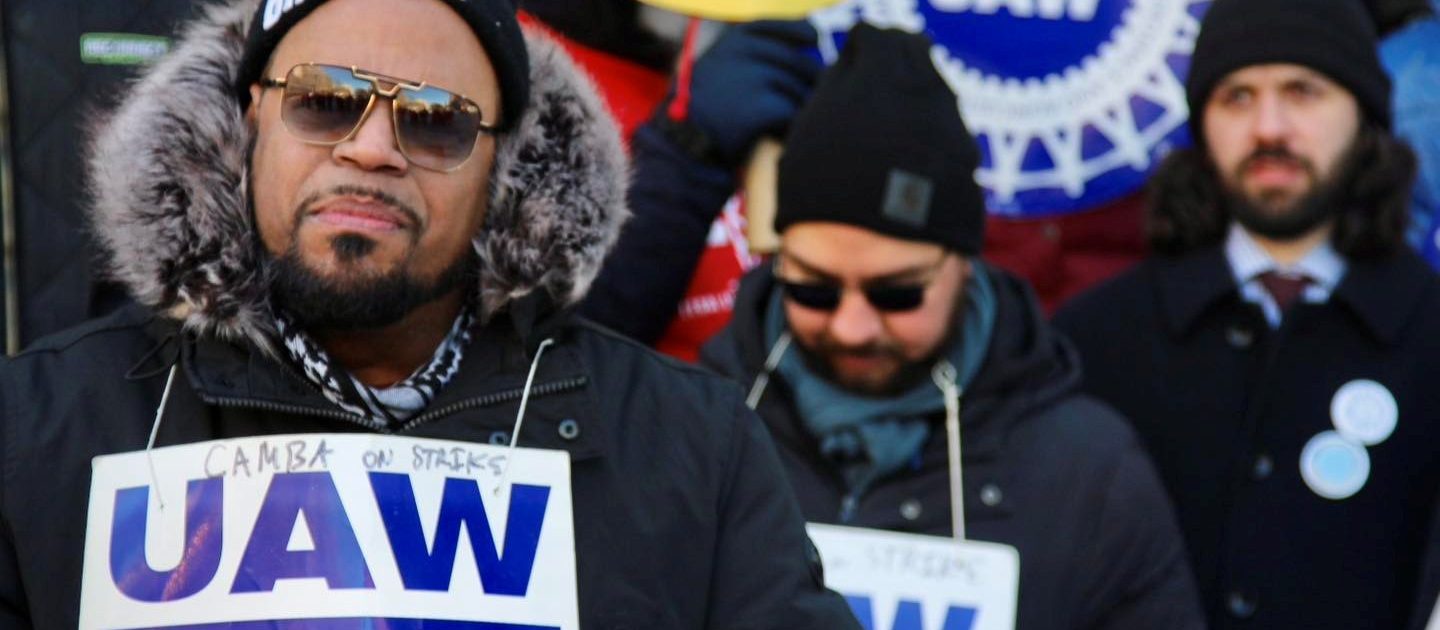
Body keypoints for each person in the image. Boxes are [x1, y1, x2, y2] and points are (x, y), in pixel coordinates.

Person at [0, 0, 861, 627]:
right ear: (249, 118)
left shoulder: (696, 451)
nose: (372, 148)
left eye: (435, 120)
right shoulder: (35, 432)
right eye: (324, 100)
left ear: (507, 165)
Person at [699, 24, 1204, 630]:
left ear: (964, 266)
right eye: (814, 289)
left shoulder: (1090, 472)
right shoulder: (694, 428)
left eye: (897, 294)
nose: (853, 328)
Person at [1052, 0, 1440, 627]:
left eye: (1302, 92)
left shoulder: (1428, 334)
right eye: (1236, 97)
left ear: (1364, 114)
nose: (1268, 128)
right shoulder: (1096, 340)